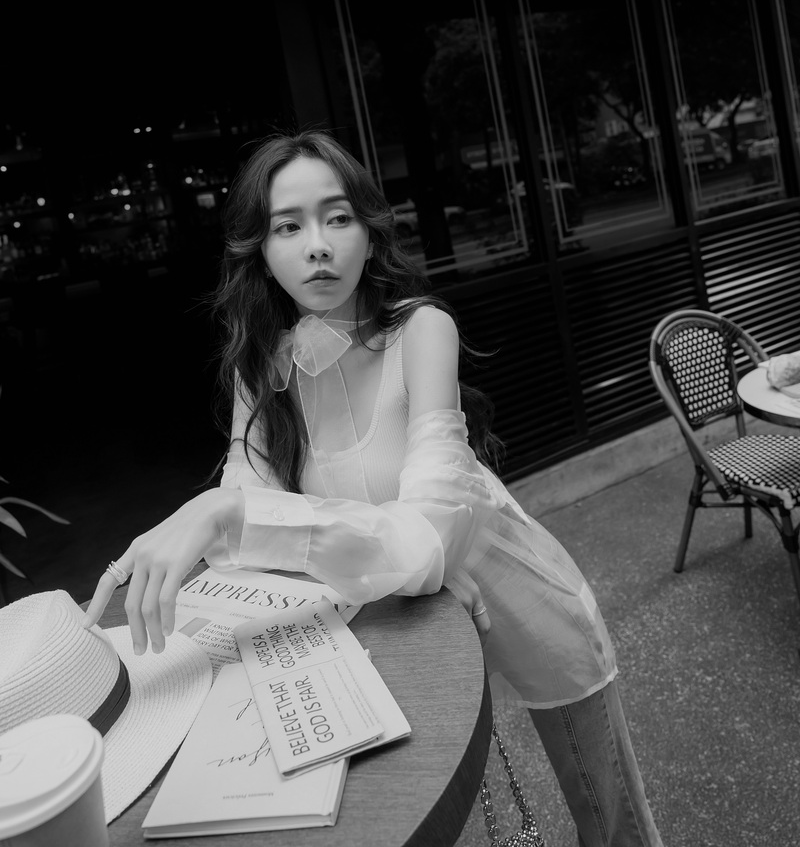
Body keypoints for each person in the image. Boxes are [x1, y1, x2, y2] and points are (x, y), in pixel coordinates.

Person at [84, 130, 663, 847]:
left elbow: (421, 538)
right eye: (288, 227)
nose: (317, 246)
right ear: (259, 250)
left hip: (519, 592)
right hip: (405, 622)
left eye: (338, 218)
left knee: (608, 818)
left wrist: (230, 512)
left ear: (368, 231)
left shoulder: (422, 332)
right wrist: (232, 516)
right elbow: (251, 546)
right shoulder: (259, 368)